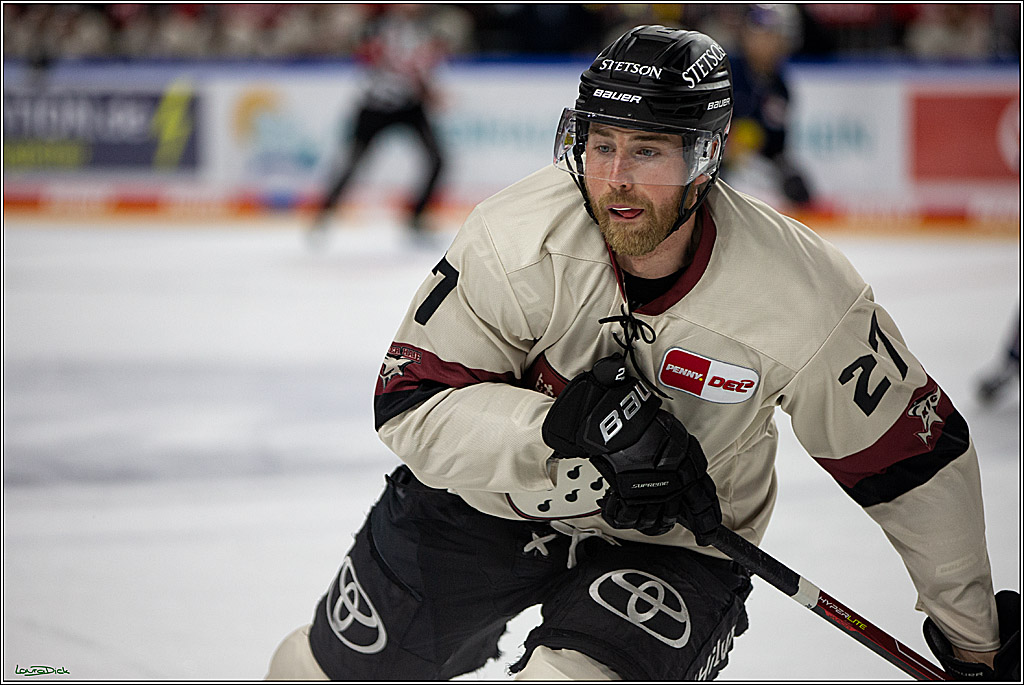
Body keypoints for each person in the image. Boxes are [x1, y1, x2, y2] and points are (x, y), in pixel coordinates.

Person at [268, 25, 1018, 680]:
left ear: (707, 157)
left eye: (648, 150)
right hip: (485, 504)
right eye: (600, 146)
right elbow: (409, 401)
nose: (616, 178)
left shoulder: (805, 295)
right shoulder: (514, 240)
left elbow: (915, 464)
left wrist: (976, 639)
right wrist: (559, 434)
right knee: (314, 674)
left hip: (678, 541)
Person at [309, 4, 447, 243]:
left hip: (409, 106)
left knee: (437, 159)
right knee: (353, 163)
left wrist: (426, 88)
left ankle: (416, 216)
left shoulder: (422, 29)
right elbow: (371, 57)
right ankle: (324, 214)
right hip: (375, 106)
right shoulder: (379, 28)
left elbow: (423, 66)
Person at [721, 4, 813, 209]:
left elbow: (777, 146)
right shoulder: (725, 71)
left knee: (796, 189)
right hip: (716, 159)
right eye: (759, 35)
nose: (765, 43)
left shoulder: (780, 88)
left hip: (756, 163)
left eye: (772, 36)